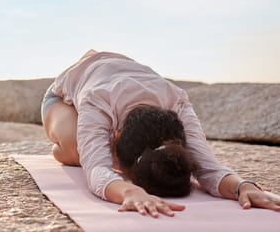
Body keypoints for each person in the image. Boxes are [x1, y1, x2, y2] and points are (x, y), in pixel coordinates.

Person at [42, 49, 280, 218]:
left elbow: (208, 167)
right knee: (77, 150)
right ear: (116, 135)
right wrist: (129, 191)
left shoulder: (178, 103)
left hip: (119, 70)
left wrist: (243, 187)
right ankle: (62, 143)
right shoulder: (98, 102)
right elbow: (97, 169)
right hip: (67, 94)